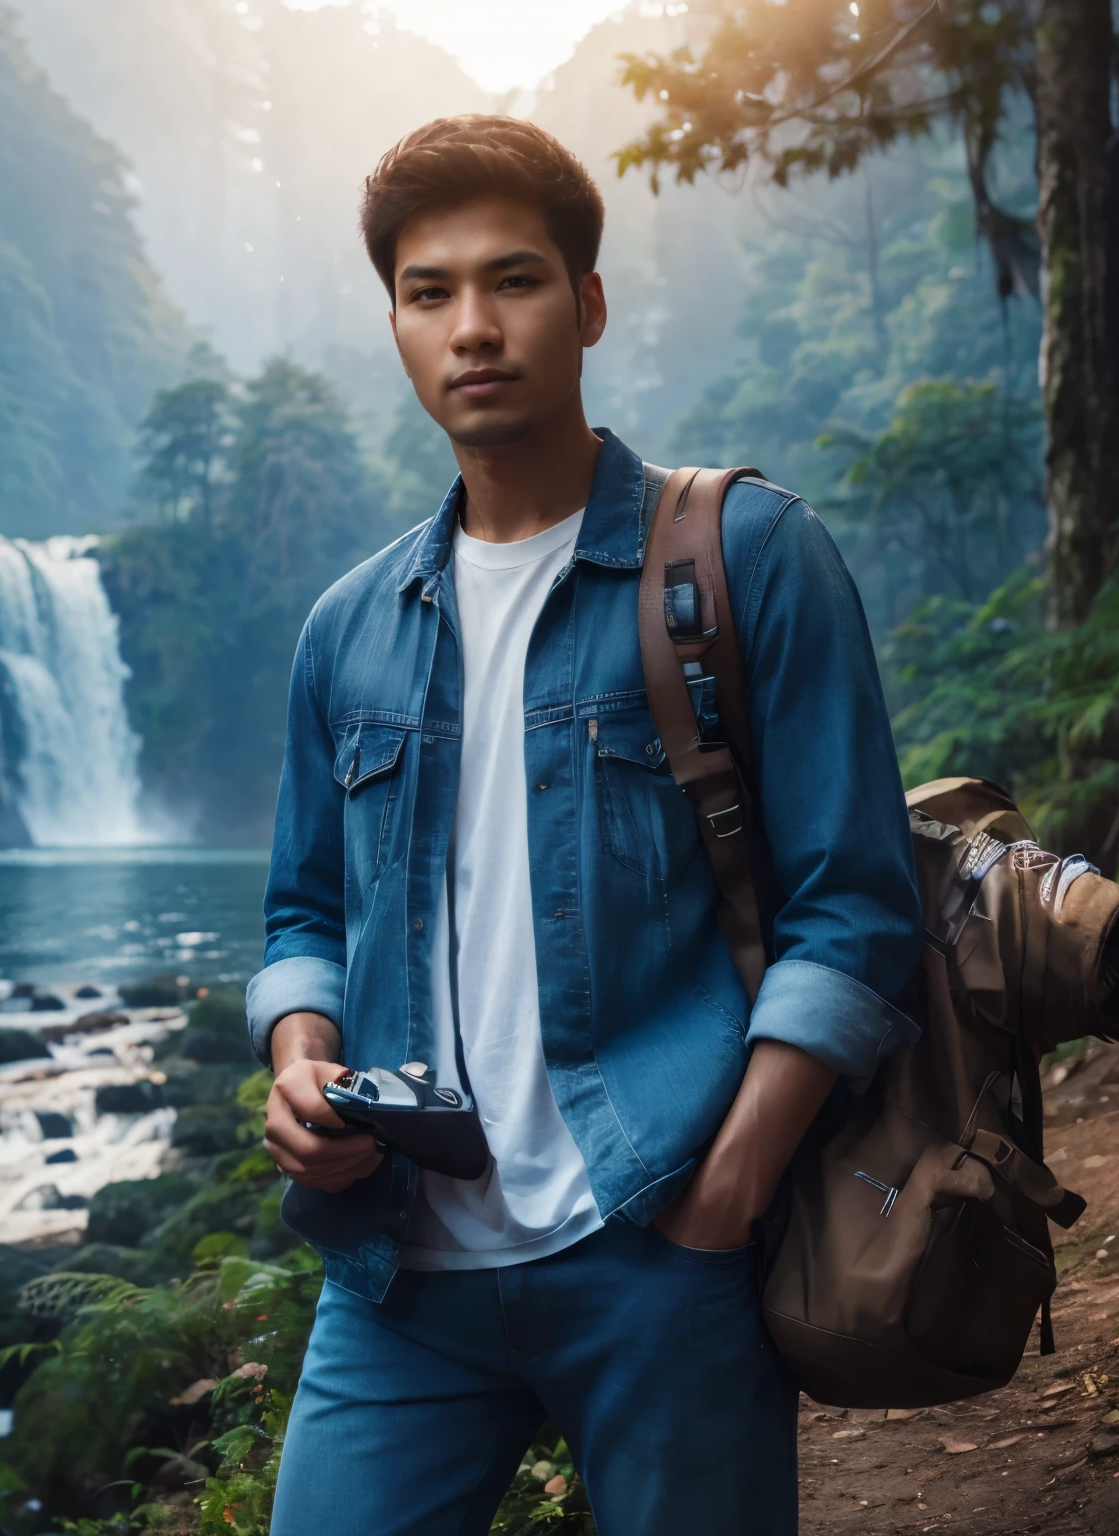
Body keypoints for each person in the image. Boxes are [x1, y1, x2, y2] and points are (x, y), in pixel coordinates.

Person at [245, 114, 921, 1536]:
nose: (473, 328)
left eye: (516, 281)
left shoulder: (747, 559)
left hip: (660, 1246)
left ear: (590, 302)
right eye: (430, 294)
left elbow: (852, 913)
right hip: (399, 1281)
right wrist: (304, 1071)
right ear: (394, 325)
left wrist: (725, 1197)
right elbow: (306, 914)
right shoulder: (348, 632)